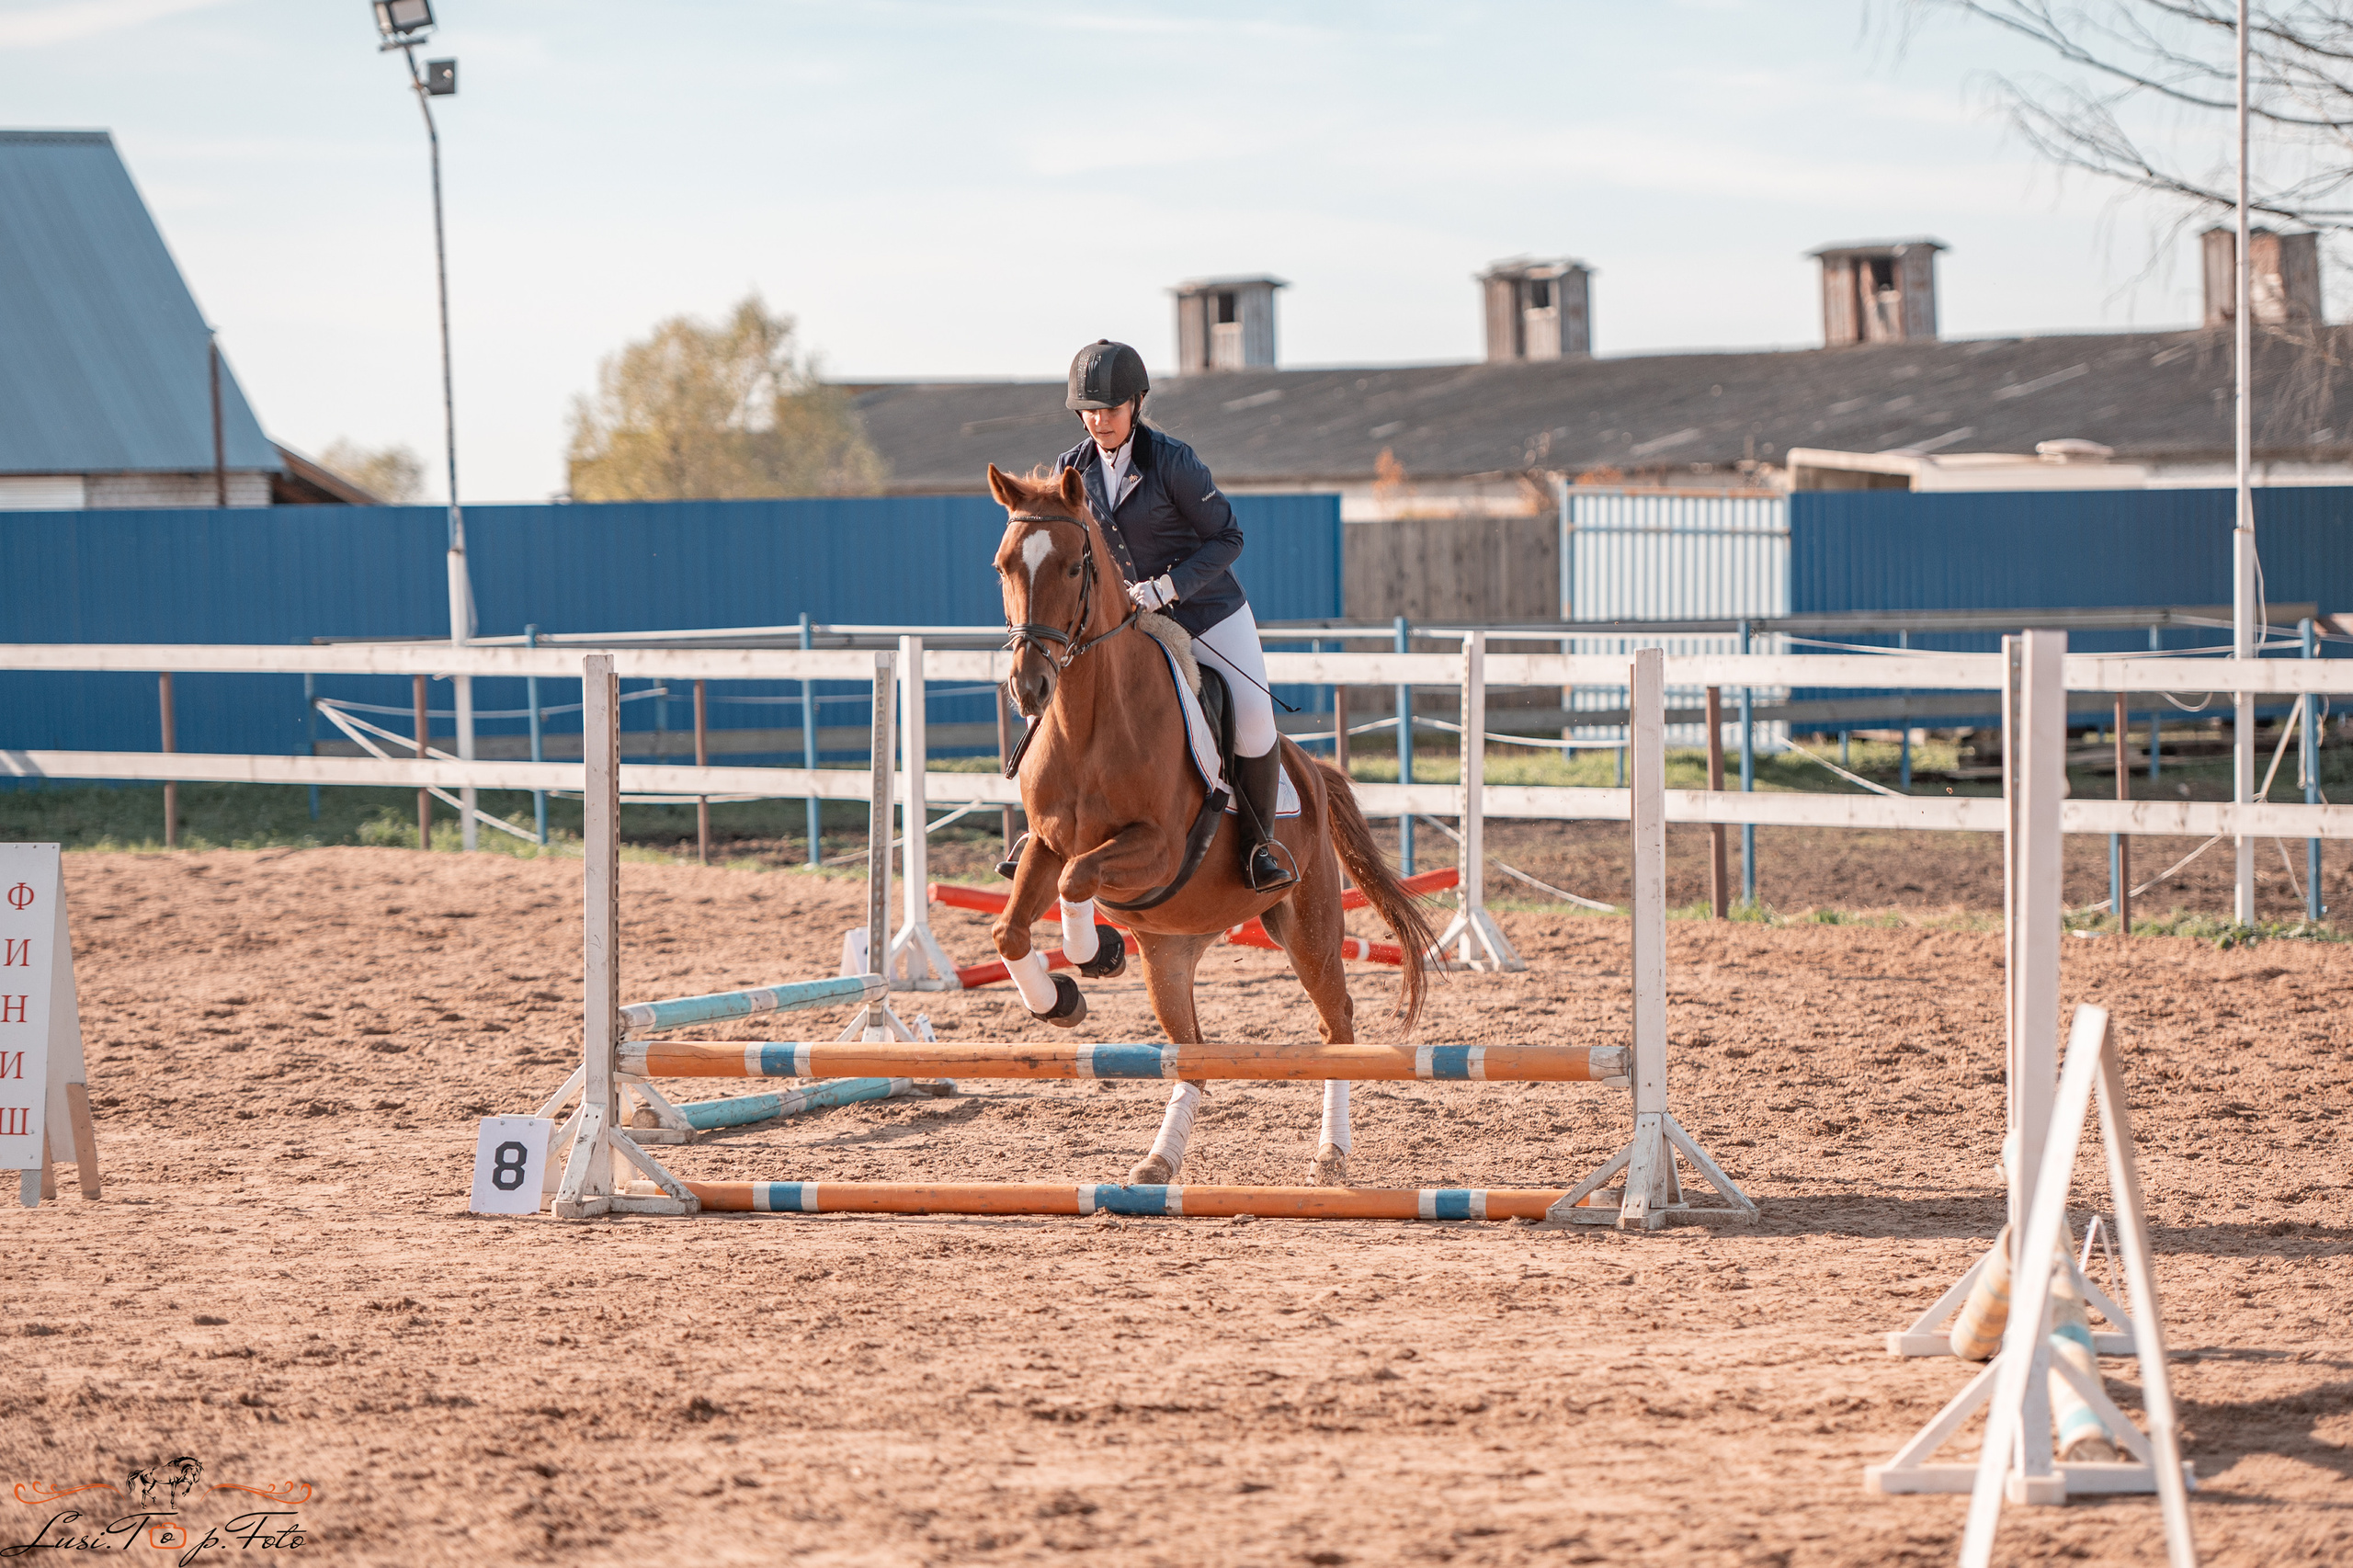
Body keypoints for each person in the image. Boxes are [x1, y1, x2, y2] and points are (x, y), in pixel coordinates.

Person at [1056, 338, 1294, 893]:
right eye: (1088, 411)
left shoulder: (1173, 462)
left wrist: (1168, 587)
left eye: (1109, 410)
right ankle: (1048, 830)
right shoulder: (1074, 469)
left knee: (1255, 720)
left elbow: (1228, 537)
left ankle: (1259, 846)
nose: (1098, 421)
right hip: (1126, 624)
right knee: (1063, 699)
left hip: (1206, 611)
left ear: (1136, 404)